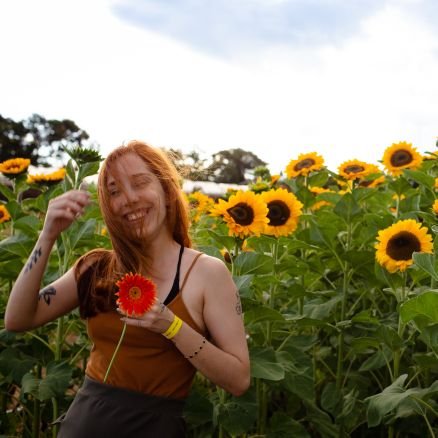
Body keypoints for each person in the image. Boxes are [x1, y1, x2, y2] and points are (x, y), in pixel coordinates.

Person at [4, 140, 250, 437]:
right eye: (114, 191)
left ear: (167, 190)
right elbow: (17, 319)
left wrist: (171, 327)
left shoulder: (206, 273)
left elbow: (238, 380)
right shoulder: (95, 267)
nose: (129, 199)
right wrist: (47, 235)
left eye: (139, 183)